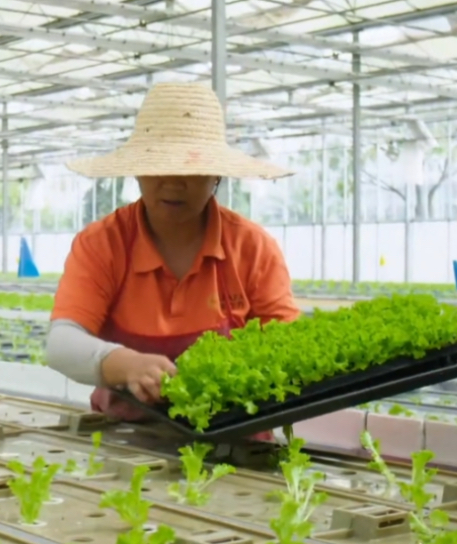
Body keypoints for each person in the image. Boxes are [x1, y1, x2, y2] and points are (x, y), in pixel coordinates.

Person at [45, 82, 301, 434]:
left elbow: (288, 350)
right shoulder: (103, 243)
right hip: (126, 439)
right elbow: (61, 343)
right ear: (136, 170)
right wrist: (126, 364)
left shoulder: (252, 248)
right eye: (158, 165)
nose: (173, 182)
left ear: (216, 176)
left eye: (191, 169)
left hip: (237, 443)